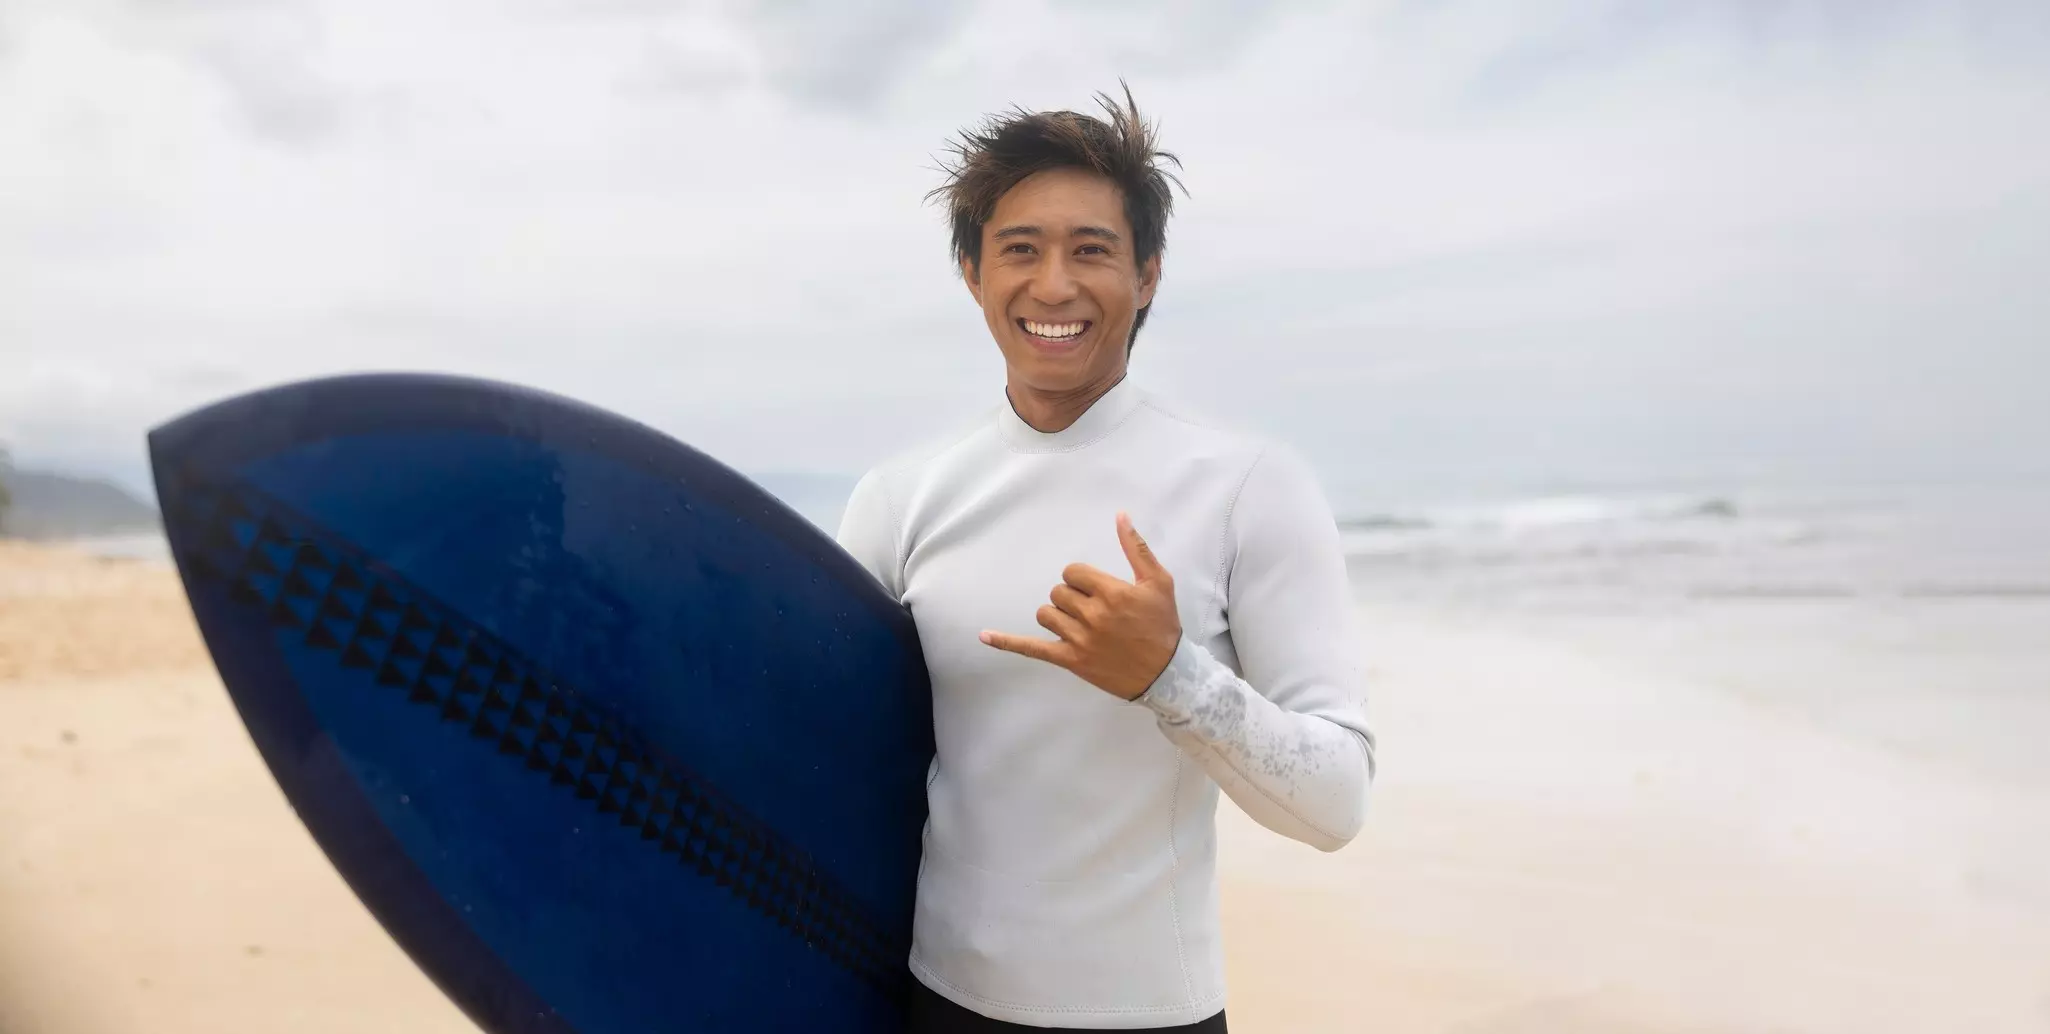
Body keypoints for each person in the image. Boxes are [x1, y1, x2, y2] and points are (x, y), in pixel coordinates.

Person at [835, 84, 1376, 1033]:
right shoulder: (900, 500)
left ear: (1150, 273)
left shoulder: (1249, 486)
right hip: (933, 1001)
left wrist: (1172, 678)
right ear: (971, 272)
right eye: (1019, 249)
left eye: (1092, 250)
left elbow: (1336, 803)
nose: (1053, 286)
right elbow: (827, 762)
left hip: (1150, 1015)